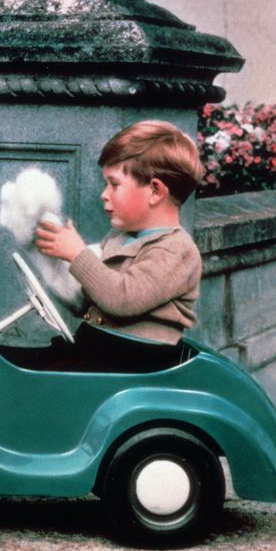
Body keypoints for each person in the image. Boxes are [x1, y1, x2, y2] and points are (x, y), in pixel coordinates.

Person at [34, 120, 204, 367]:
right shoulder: (119, 237)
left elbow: (123, 299)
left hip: (135, 359)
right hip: (101, 348)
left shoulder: (176, 249)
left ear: (155, 191)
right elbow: (90, 298)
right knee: (18, 359)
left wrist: (77, 254)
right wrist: (54, 264)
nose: (104, 194)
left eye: (114, 184)